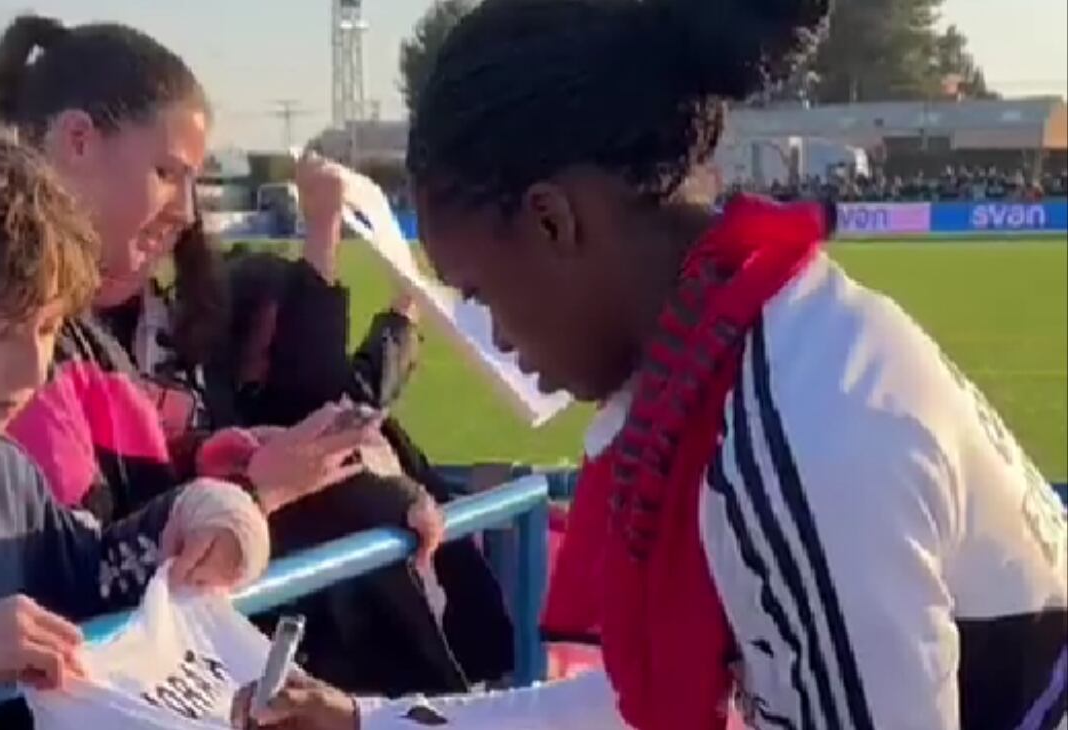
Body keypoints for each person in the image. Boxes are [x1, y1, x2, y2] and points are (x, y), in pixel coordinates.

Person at [231, 0, 1068, 729]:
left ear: (554, 222)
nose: (495, 336)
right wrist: (368, 725)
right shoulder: (748, 347)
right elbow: (651, 705)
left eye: (481, 291)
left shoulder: (795, 430)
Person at [0, 124, 270, 726]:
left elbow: (100, 574)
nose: (33, 367)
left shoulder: (4, 474)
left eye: (50, 328)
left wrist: (209, 514)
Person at [0, 15, 389, 530]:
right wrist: (252, 491)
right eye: (167, 173)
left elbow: (143, 487)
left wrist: (231, 456)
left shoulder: (110, 330)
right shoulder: (10, 336)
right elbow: (81, 570)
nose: (187, 211)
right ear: (78, 140)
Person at [201, 155, 515, 695]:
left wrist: (406, 307)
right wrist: (322, 230)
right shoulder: (262, 429)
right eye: (289, 319)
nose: (302, 334)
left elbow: (362, 378)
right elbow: (315, 372)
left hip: (440, 647)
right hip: (374, 671)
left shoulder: (334, 403)